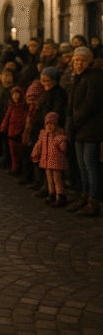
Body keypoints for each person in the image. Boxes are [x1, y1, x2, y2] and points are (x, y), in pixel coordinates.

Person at [66, 46, 103, 217]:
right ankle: (85, 195)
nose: (78, 63)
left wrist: (76, 119)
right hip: (79, 128)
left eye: (82, 60)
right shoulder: (78, 78)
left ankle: (94, 201)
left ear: (88, 62)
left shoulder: (94, 77)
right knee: (82, 166)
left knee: (91, 165)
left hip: (91, 128)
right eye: (76, 60)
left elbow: (91, 102)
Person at [31, 112, 69, 207]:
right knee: (50, 180)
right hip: (47, 162)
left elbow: (64, 149)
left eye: (52, 124)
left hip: (56, 163)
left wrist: (61, 142)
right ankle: (52, 194)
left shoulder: (59, 136)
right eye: (48, 124)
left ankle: (60, 195)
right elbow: (38, 146)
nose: (50, 126)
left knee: (57, 180)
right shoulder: (43, 135)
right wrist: (35, 155)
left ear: (56, 125)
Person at [0, 86, 29, 176]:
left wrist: (20, 131)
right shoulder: (11, 106)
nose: (15, 96)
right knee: (13, 153)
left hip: (18, 134)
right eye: (13, 94)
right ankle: (14, 168)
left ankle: (18, 169)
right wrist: (3, 127)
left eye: (17, 94)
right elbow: (7, 117)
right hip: (11, 133)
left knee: (19, 153)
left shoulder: (23, 108)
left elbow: (23, 121)